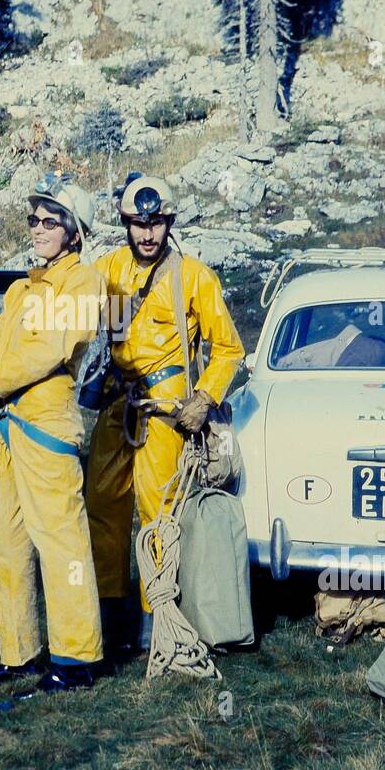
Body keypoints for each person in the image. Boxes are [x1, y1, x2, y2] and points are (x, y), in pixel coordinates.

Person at [0, 177, 108, 697]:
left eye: (51, 222)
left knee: (61, 543)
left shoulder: (83, 284)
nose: (40, 229)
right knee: (3, 542)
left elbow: (51, 348)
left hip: (45, 427)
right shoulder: (22, 289)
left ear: (73, 233)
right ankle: (18, 652)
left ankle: (76, 657)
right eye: (35, 221)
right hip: (6, 429)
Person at [85, 173, 245, 651]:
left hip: (166, 414)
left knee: (160, 513)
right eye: (137, 224)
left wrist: (203, 400)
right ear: (125, 225)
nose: (147, 234)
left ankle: (159, 615)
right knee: (102, 505)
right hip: (117, 407)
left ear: (169, 223)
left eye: (155, 224)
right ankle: (111, 611)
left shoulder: (194, 276)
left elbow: (229, 350)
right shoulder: (105, 270)